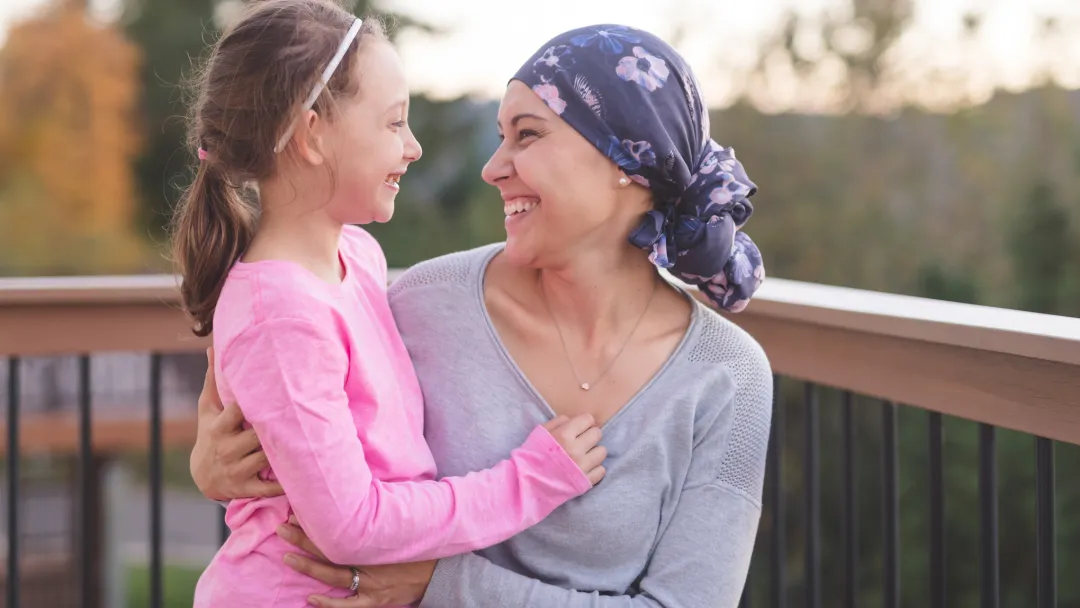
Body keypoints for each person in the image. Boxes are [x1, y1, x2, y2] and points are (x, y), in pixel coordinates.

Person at [190, 22, 774, 608]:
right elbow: (316, 447)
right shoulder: (422, 302)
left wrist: (442, 582)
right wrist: (216, 471)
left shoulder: (728, 378)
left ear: (626, 159)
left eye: (527, 134)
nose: (491, 168)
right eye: (499, 136)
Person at [170, 2, 607, 606]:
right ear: (311, 133)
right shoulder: (283, 316)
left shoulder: (358, 256)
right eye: (393, 123)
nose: (414, 147)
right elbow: (352, 523)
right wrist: (528, 482)